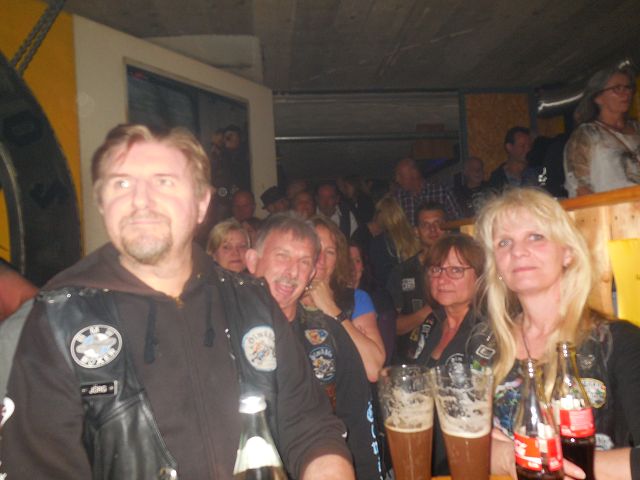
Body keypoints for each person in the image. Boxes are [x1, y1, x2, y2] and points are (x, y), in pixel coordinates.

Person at [0, 124, 354, 479]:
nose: (141, 200)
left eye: (164, 182)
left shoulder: (252, 301)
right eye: (121, 184)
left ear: (201, 204)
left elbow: (309, 425)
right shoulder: (58, 320)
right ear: (102, 204)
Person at [473, 188, 640, 480]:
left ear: (567, 253)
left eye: (535, 236)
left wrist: (546, 459)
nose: (517, 251)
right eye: (504, 242)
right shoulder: (483, 344)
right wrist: (501, 457)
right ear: (497, 265)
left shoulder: (618, 342)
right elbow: (464, 446)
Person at [246, 214, 382, 479]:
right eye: (282, 256)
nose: (292, 271)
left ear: (310, 273)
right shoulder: (227, 327)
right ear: (252, 261)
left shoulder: (329, 332)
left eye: (304, 261)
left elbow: (359, 426)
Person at [413, 233, 486, 476]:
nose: (442, 279)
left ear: (479, 277)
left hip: (465, 460)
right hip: (428, 454)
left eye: (456, 270)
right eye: (436, 269)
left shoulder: (487, 332)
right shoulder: (432, 324)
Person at [305, 215, 386, 382]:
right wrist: (353, 335)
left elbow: (373, 370)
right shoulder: (287, 297)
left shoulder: (356, 299)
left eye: (330, 252)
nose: (321, 259)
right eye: (315, 248)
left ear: (338, 259)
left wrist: (331, 308)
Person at [564, 64, 640, 197]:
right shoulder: (586, 135)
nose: (626, 93)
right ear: (598, 97)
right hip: (611, 207)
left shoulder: (637, 129)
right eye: (617, 88)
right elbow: (579, 186)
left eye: (628, 87)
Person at [386, 203, 447, 361]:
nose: (433, 230)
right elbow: (392, 327)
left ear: (448, 227)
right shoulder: (402, 272)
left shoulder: (461, 270)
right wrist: (429, 311)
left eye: (438, 223)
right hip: (411, 357)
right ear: (416, 231)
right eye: (425, 225)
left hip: (450, 353)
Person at [369, 195, 420, 290]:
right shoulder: (414, 236)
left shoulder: (380, 243)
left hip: (394, 293)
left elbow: (381, 277)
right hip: (415, 289)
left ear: (380, 216)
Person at [393, 157, 461, 222]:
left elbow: (457, 220)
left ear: (414, 174)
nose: (397, 180)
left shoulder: (442, 191)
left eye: (400, 176)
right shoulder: (398, 197)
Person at [488, 126, 539, 192]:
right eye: (522, 146)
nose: (528, 149)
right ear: (509, 147)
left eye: (529, 146)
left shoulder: (536, 173)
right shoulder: (498, 178)